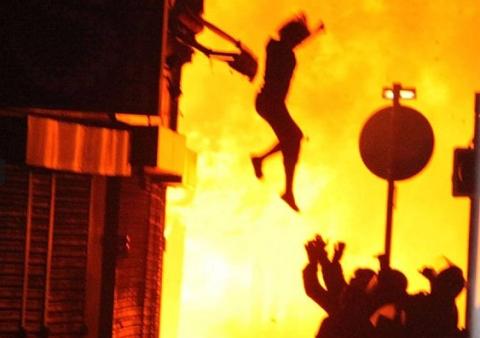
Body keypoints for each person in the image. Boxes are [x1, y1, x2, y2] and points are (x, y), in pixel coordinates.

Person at [251, 13, 325, 212]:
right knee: (292, 138)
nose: (299, 42)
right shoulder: (279, 49)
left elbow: (292, 43)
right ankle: (286, 188)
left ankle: (263, 163)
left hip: (272, 103)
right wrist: (312, 32)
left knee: (292, 138)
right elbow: (289, 46)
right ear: (292, 36)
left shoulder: (277, 46)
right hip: (269, 102)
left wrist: (314, 33)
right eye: (298, 38)